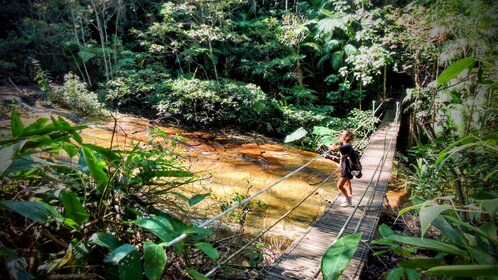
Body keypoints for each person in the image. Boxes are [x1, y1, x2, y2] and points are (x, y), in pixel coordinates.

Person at [328, 130, 358, 207]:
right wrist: (337, 143)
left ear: (347, 137)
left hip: (347, 169)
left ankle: (348, 200)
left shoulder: (346, 146)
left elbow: (333, 148)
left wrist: (331, 146)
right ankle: (348, 197)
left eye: (342, 134)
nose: (340, 135)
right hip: (347, 167)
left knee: (339, 186)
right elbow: (339, 143)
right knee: (347, 183)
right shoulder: (346, 144)